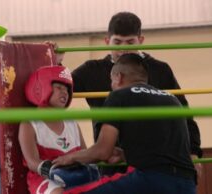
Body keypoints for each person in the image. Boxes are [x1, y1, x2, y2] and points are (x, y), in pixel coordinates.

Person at [71, 11, 202, 165]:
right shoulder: (91, 70)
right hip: (111, 162)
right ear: (107, 41)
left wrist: (193, 152)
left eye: (130, 42)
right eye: (117, 42)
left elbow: (183, 113)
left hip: (155, 162)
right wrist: (54, 61)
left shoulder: (160, 69)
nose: (123, 48)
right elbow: (59, 88)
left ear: (141, 40)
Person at [53, 53, 197, 194]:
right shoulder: (172, 100)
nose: (112, 85)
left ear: (118, 77)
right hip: (187, 184)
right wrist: (126, 155)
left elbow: (103, 152)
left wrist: (70, 157)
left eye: (111, 80)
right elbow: (165, 152)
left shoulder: (119, 95)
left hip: (149, 180)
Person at [18, 66, 99, 194]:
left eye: (67, 89)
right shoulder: (30, 123)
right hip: (44, 178)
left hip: (75, 173)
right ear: (40, 88)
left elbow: (84, 153)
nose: (65, 92)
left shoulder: (71, 123)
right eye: (59, 88)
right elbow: (32, 161)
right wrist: (54, 171)